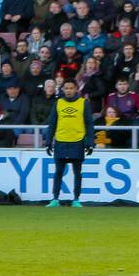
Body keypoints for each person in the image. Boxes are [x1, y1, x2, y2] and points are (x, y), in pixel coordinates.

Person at [44, 77, 95, 208]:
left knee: (77, 172)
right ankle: (55, 199)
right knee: (58, 172)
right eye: (66, 88)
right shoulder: (58, 103)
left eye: (71, 88)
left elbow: (89, 124)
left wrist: (90, 141)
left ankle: (76, 199)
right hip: (61, 141)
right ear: (62, 89)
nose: (69, 91)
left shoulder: (83, 103)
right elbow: (52, 123)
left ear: (76, 89)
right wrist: (48, 141)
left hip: (77, 142)